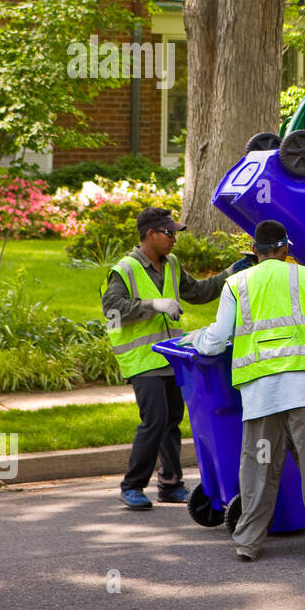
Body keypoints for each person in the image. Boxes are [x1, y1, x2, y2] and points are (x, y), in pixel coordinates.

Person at [183, 219, 305, 561]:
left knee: (258, 466)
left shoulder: (236, 283)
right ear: (286, 248)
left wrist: (196, 338)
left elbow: (216, 341)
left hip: (261, 397)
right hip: (303, 390)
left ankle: (248, 541)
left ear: (254, 251)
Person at [103, 206, 249, 510]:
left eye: (175, 233)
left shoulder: (171, 264)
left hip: (170, 359)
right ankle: (131, 485)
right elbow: (112, 311)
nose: (174, 239)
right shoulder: (125, 269)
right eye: (169, 233)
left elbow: (196, 292)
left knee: (172, 421)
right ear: (150, 234)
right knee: (154, 420)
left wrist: (230, 274)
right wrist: (152, 303)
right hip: (142, 361)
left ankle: (170, 484)